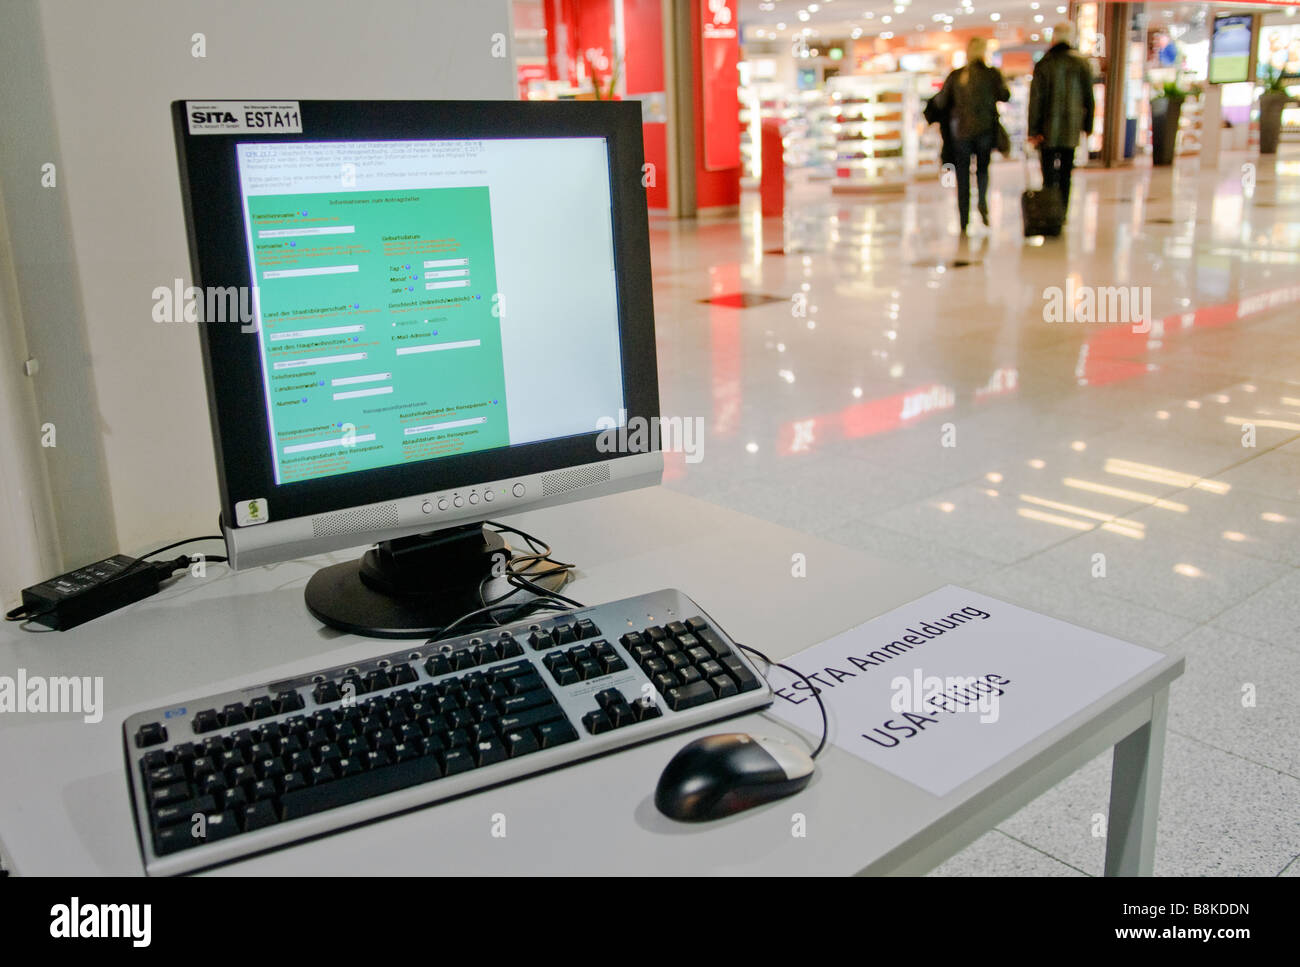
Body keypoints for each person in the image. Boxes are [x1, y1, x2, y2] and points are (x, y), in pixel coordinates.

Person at [933, 36, 1010, 235]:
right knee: (983, 169)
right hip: (984, 130)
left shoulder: (957, 76)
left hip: (960, 132)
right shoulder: (991, 74)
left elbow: (941, 102)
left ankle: (963, 218)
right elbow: (1005, 95)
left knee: (962, 175)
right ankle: (982, 201)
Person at [1028, 23, 1095, 218]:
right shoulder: (1081, 63)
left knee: (1048, 174)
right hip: (1071, 126)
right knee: (1066, 172)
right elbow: (1088, 97)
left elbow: (1036, 100)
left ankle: (1050, 211)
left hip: (1046, 128)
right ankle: (1062, 212)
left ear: (1054, 38)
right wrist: (1087, 125)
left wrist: (1033, 130)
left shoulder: (1045, 63)